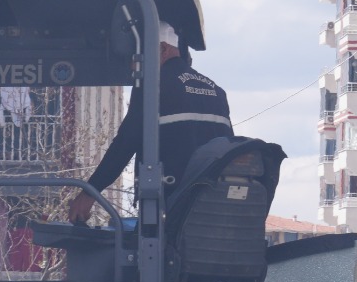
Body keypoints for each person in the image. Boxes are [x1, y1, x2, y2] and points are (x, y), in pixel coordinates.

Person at [68, 21, 234, 220]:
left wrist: (89, 192)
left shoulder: (153, 85)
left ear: (162, 49)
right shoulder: (217, 91)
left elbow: (126, 142)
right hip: (214, 204)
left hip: (171, 206)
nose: (133, 65)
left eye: (139, 56)